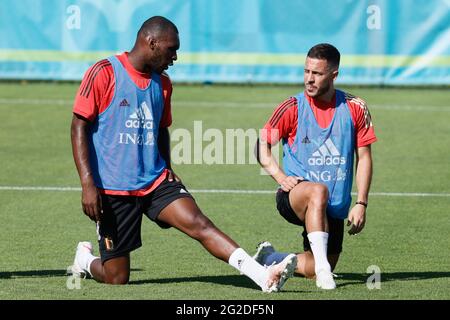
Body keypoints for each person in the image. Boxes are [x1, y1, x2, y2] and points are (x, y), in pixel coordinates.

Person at [68, 16, 296, 292]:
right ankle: (84, 259)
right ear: (151, 43)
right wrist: (88, 184)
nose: (175, 57)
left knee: (199, 223)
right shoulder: (104, 72)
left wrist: (167, 166)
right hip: (113, 189)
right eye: (171, 49)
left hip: (155, 181)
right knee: (117, 277)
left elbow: (161, 128)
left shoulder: (163, 83)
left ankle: (262, 276)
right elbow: (79, 126)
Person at [254, 43, 377, 290]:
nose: (309, 79)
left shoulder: (355, 107)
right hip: (295, 196)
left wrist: (361, 203)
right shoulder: (292, 107)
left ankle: (271, 259)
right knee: (317, 190)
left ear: (334, 75)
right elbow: (261, 146)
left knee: (320, 264)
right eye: (306, 71)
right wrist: (280, 177)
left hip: (334, 207)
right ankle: (323, 272)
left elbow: (364, 157)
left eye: (317, 74)